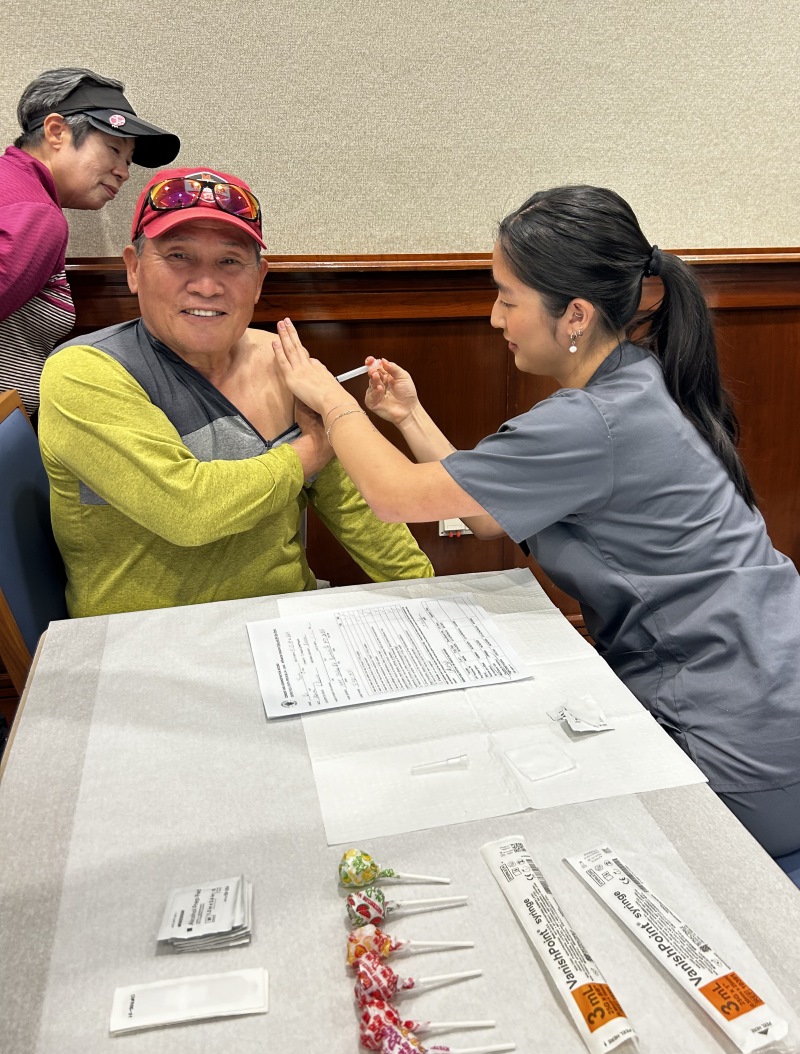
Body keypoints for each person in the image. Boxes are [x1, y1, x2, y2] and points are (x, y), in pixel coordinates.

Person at [271, 184, 800, 859]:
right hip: (772, 686)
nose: (496, 318)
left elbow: (395, 497)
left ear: (574, 315)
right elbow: (487, 514)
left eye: (507, 298)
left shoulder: (591, 421)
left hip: (740, 736)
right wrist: (407, 416)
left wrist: (326, 398)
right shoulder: (637, 380)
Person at [38, 166, 433, 617]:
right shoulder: (85, 373)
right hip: (147, 642)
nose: (206, 285)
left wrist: (428, 594)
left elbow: (356, 508)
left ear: (259, 279)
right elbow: (188, 511)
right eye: (179, 256)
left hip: (287, 624)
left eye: (229, 261)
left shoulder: (281, 360)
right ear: (133, 269)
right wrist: (313, 448)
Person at [0, 67, 180, 418]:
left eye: (127, 161)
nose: (124, 172)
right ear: (56, 131)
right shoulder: (38, 216)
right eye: (114, 149)